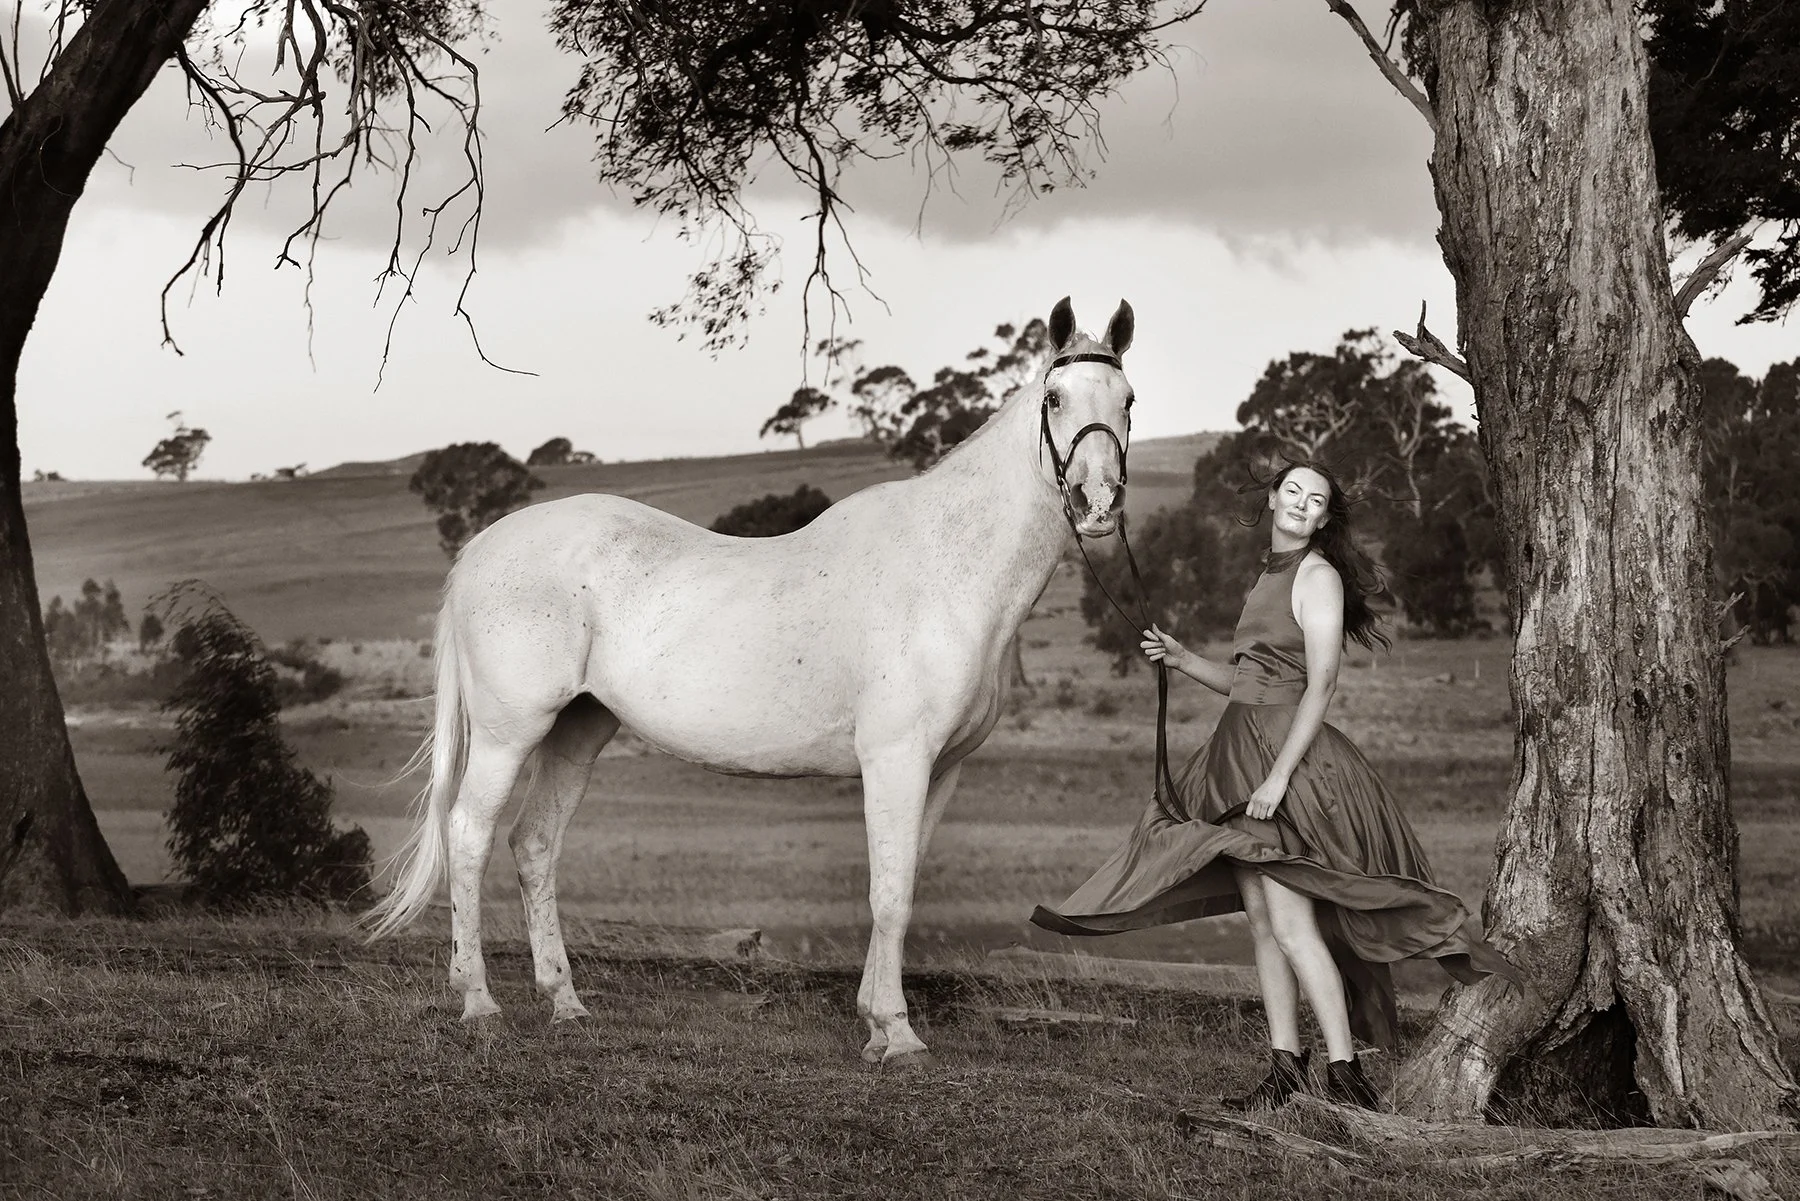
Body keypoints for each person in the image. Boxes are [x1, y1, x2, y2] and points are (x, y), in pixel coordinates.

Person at [1032, 459, 1517, 1111]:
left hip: (1284, 760)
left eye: (1315, 499)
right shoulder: (1268, 575)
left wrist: (1280, 776)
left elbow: (1319, 684)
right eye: (1293, 490)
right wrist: (1182, 659)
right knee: (1262, 920)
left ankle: (1347, 1076)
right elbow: (1250, 680)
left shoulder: (1317, 576)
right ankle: (1286, 1068)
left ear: (1323, 517)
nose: (1300, 504)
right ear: (1273, 498)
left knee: (1290, 923)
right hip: (1241, 748)